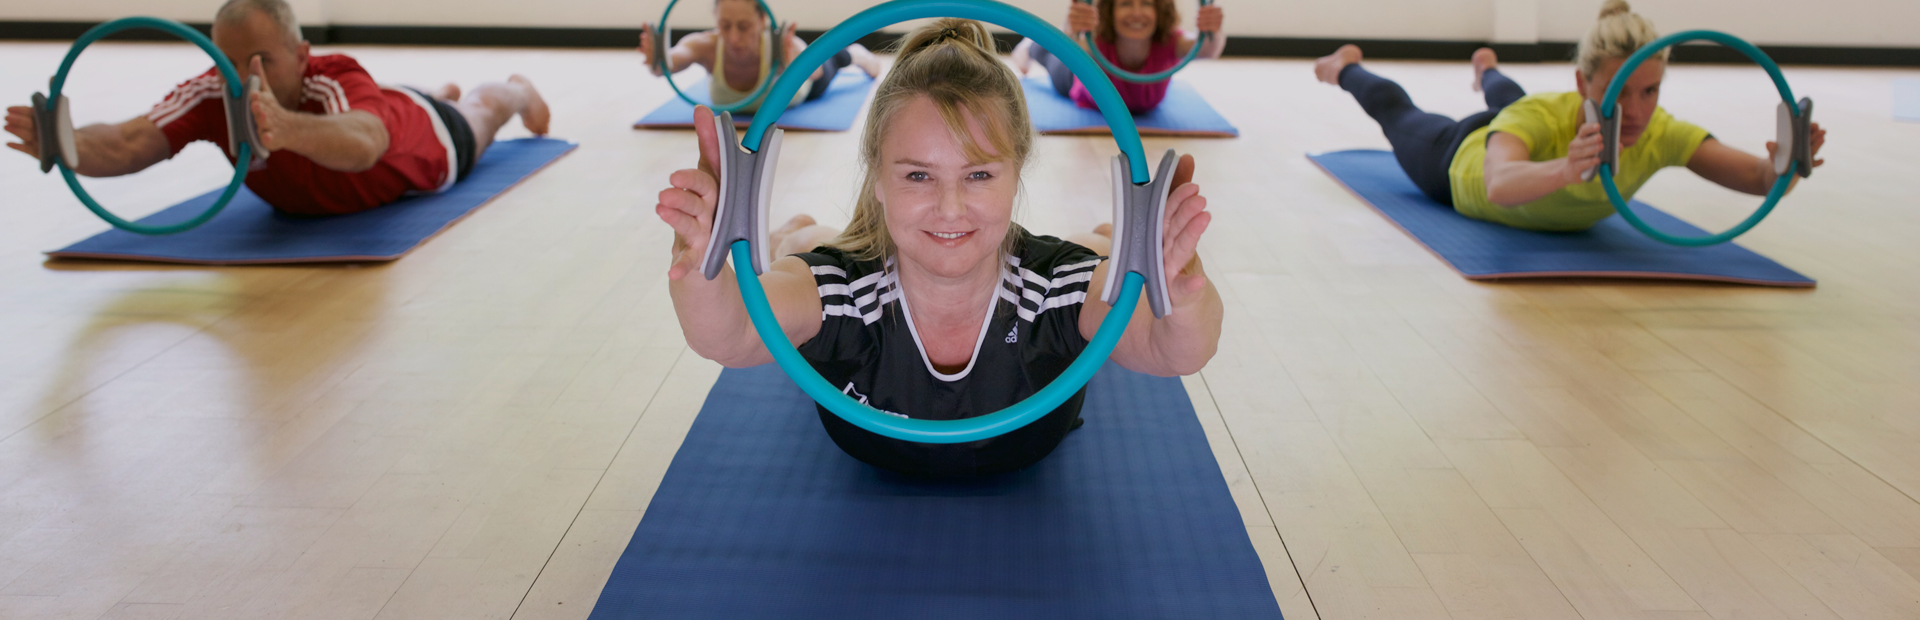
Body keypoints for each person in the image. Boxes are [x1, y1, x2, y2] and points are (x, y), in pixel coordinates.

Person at [654, 19, 1224, 477]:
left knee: (1086, 251)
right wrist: (699, 267)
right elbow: (728, 334)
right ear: (876, 178)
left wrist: (1181, 294)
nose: (950, 208)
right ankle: (798, 231)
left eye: (978, 175)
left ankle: (1100, 234)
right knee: (811, 246)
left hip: (1032, 293)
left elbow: (1173, 350)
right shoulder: (839, 289)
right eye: (918, 176)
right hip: (864, 265)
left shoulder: (1060, 287)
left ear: (1016, 171)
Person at [1312, 0, 1825, 232]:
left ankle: (1486, 66)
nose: (1636, 111)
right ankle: (1345, 67)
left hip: (1520, 128)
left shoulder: (1662, 132)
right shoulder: (1544, 114)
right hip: (1458, 161)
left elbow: (1759, 180)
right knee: (1399, 112)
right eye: (1620, 92)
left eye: (1651, 91)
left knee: (1508, 98)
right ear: (1584, 84)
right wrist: (1566, 169)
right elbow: (1498, 183)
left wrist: (1785, 165)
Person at [2, 0, 551, 217]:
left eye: (261, 59)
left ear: (302, 55)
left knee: (481, 112)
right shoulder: (215, 90)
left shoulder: (333, 76)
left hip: (426, 142)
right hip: (379, 109)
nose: (245, 79)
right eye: (229, 61)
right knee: (419, 96)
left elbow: (365, 144)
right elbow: (129, 141)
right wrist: (65, 141)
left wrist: (284, 127)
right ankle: (441, 89)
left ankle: (515, 89)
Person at [638, 0, 882, 114]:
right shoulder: (705, 45)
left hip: (807, 91)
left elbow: (815, 72)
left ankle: (857, 55)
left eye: (743, 26)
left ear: (762, 20)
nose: (733, 38)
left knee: (831, 56)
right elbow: (669, 63)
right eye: (724, 25)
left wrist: (790, 64)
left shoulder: (781, 44)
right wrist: (658, 60)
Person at [1010, 0, 1226, 114]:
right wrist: (1070, 28)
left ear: (1159, 10)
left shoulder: (1170, 41)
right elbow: (1067, 46)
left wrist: (1212, 31)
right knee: (1049, 49)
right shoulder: (1098, 43)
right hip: (1074, 82)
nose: (1136, 13)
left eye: (1146, 3)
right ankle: (1028, 46)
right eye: (1125, 4)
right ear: (1110, 11)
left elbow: (1209, 49)